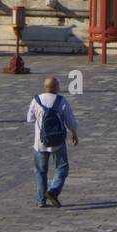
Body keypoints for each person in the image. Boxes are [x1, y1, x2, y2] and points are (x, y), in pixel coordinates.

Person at [26, 76, 79, 208]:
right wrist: (74, 134)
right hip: (58, 141)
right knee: (62, 167)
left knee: (40, 171)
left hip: (40, 142)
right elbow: (70, 120)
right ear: (56, 87)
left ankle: (40, 200)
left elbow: (30, 119)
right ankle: (53, 190)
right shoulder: (61, 100)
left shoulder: (36, 100)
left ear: (45, 87)